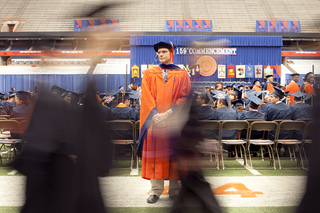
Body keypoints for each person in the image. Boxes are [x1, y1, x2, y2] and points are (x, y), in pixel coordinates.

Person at [137, 41, 191, 204]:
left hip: (174, 121)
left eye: (164, 52)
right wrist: (156, 115)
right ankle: (155, 191)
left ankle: (174, 190)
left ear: (171, 53)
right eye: (159, 52)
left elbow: (185, 97)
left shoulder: (182, 74)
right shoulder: (149, 72)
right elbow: (146, 97)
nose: (160, 55)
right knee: (155, 155)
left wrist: (167, 114)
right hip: (155, 122)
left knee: (174, 156)